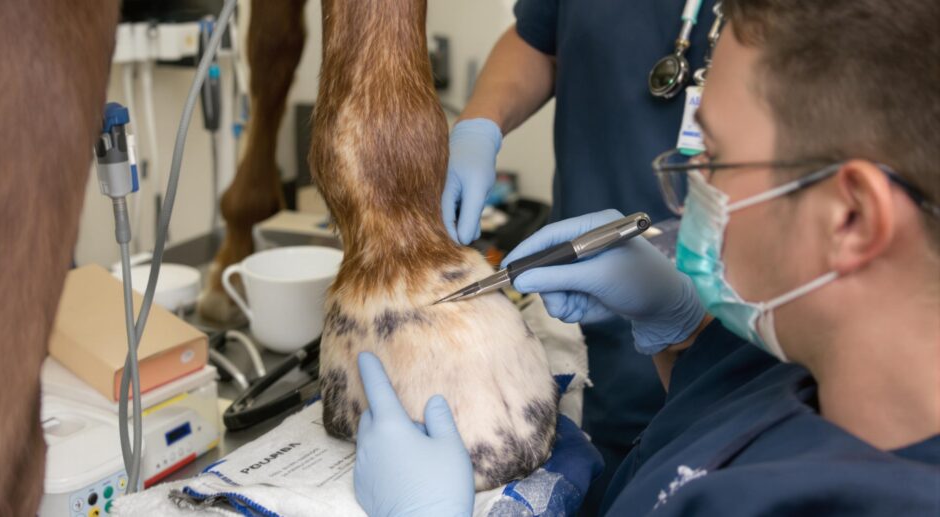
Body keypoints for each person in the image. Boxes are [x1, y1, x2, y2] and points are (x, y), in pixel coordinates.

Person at [353, 0, 940, 515]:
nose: (690, 188)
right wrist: (681, 325)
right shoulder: (780, 368)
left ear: (853, 218)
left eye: (713, 157)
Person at [440, 2, 720, 507]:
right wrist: (478, 125)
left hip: (737, 350)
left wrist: (678, 316)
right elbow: (537, 39)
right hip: (596, 342)